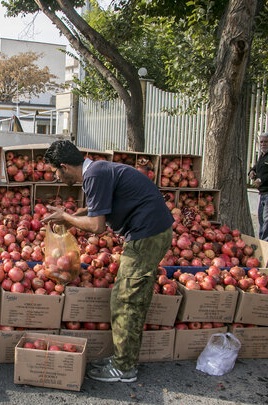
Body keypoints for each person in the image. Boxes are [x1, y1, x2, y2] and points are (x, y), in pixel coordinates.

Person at [42, 140, 173, 383]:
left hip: (147, 234)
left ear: (64, 166)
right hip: (150, 231)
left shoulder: (94, 175)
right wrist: (69, 218)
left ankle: (124, 368)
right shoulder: (97, 171)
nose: (56, 178)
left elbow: (97, 227)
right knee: (127, 296)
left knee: (126, 299)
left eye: (55, 172)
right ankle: (122, 359)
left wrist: (66, 216)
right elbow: (95, 210)